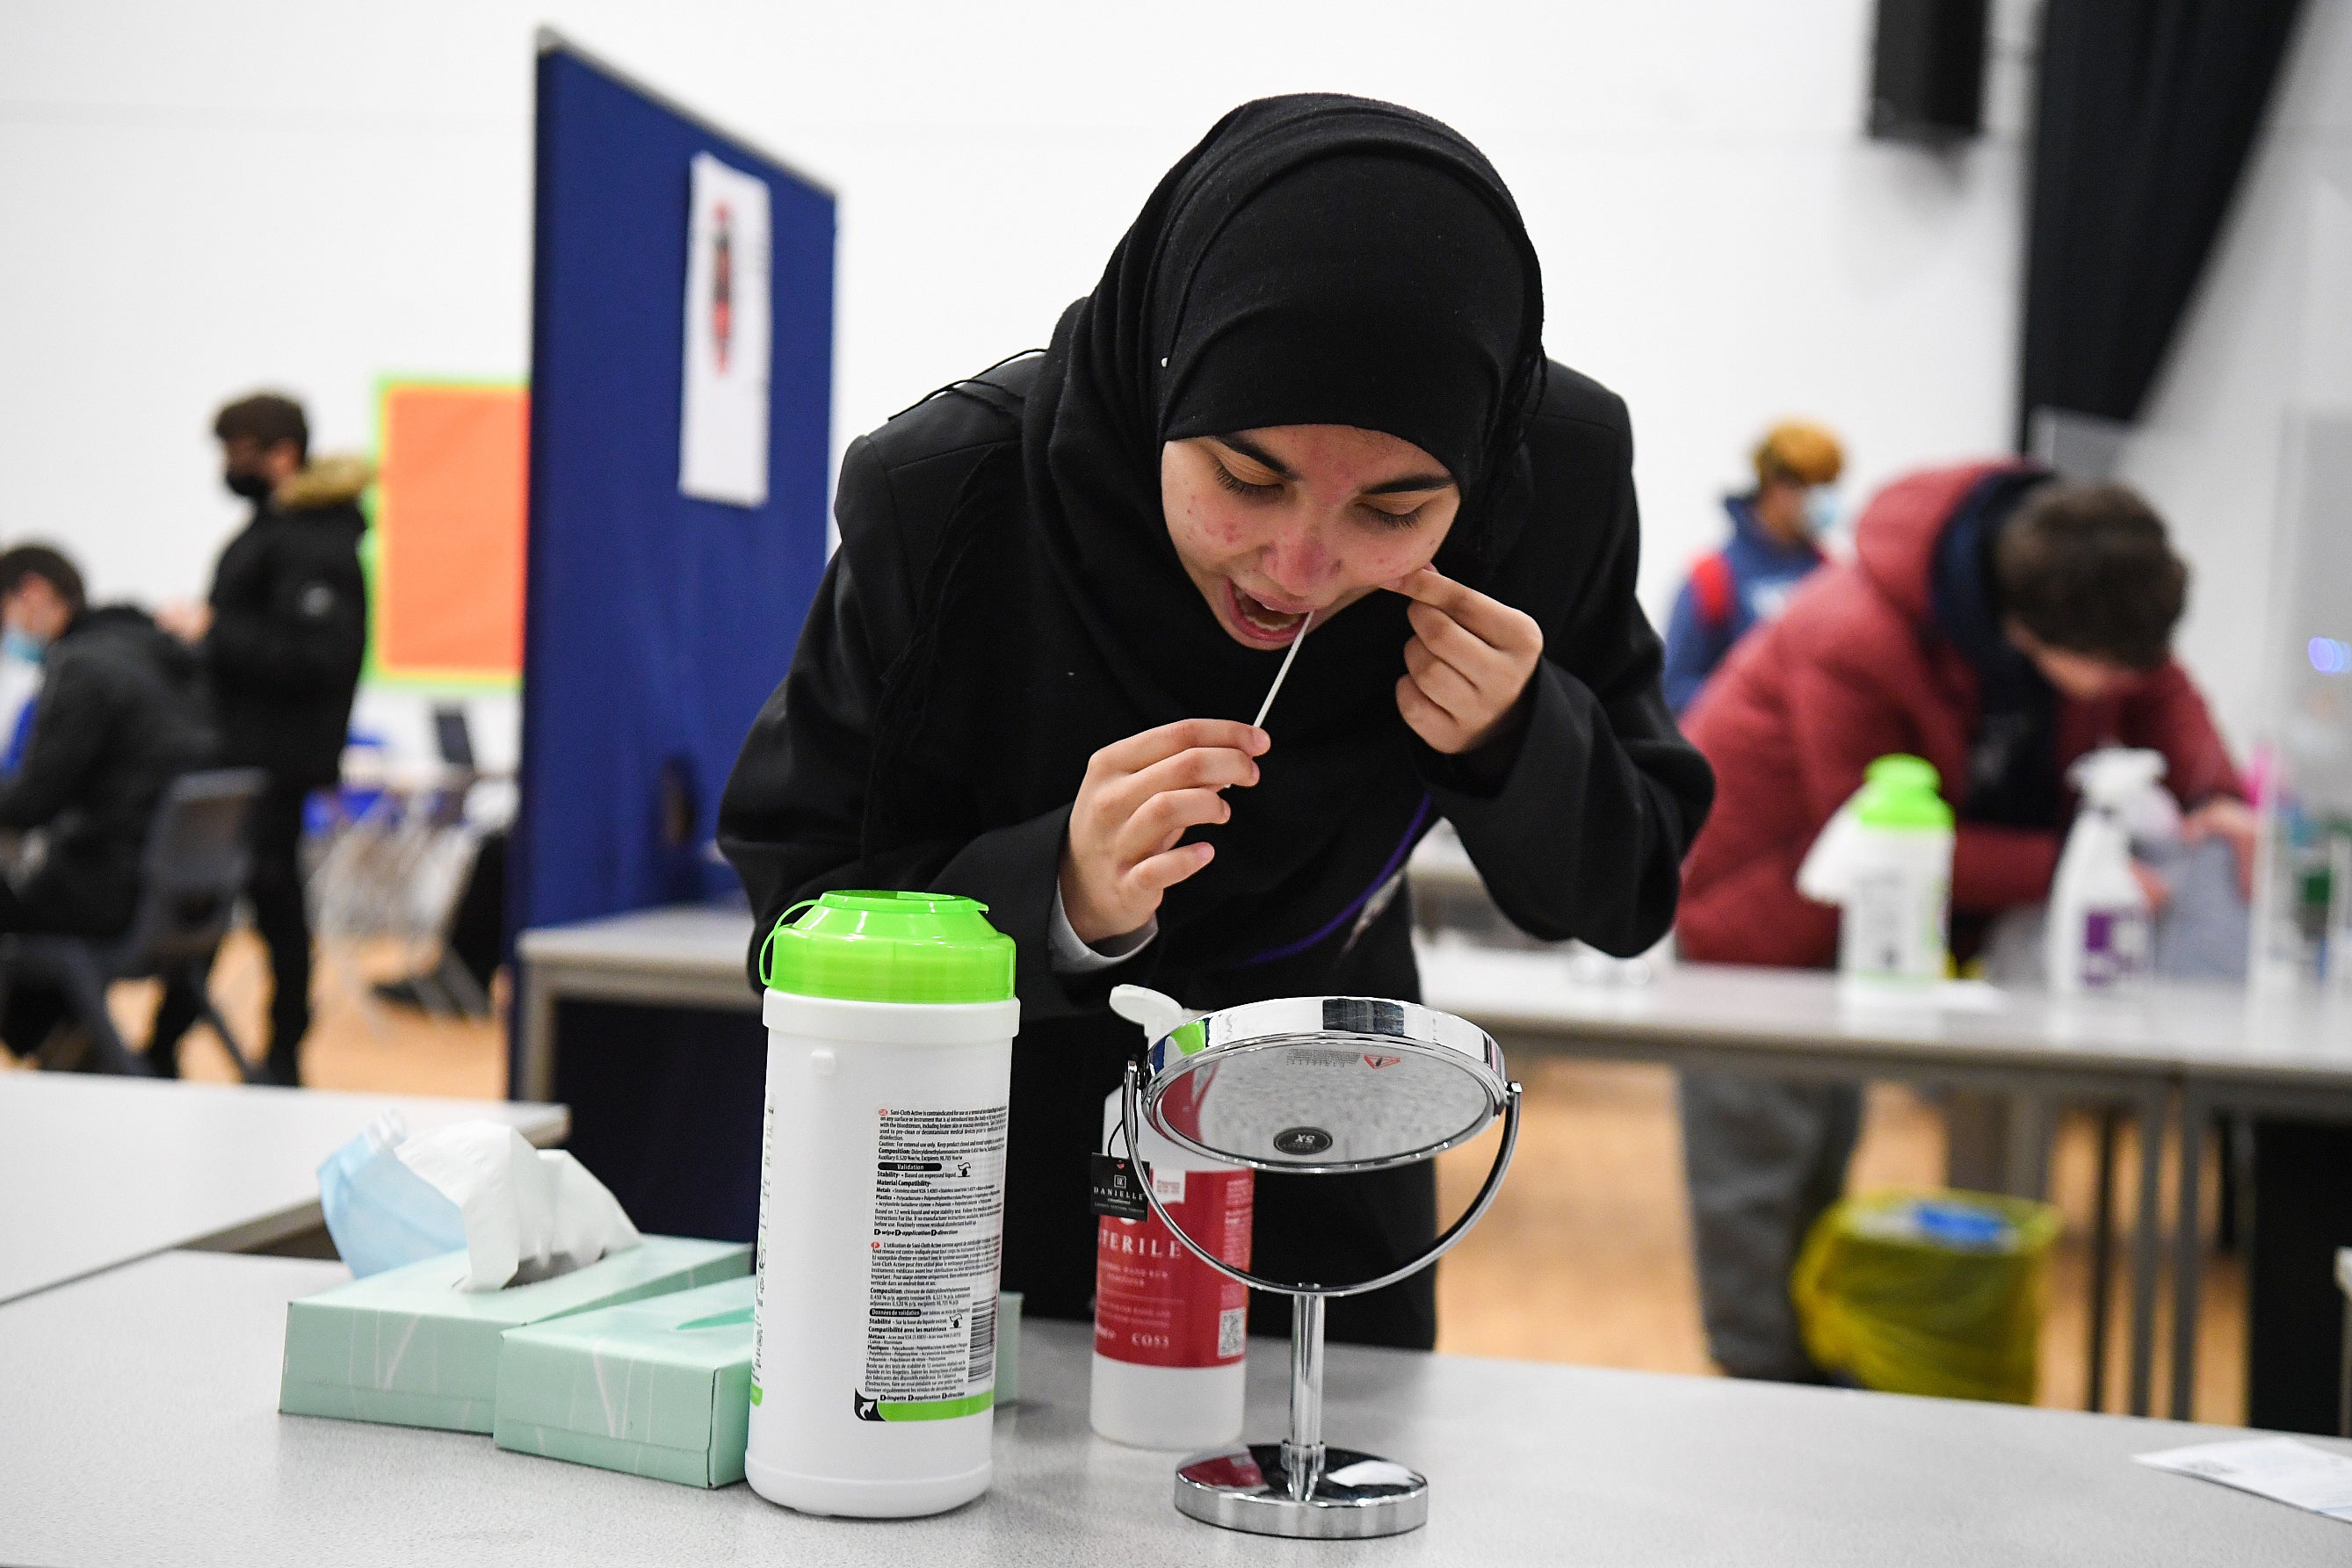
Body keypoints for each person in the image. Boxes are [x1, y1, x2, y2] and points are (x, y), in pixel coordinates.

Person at [719, 95, 1714, 1349]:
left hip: (1326, 1154)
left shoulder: (1545, 486)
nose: (1299, 567)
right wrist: (1060, 897)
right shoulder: (954, 498)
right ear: (1162, 388)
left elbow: (1628, 893)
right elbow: (797, 920)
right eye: (1247, 480)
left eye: (1395, 511)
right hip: (969, 1181)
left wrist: (1519, 737)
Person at [1672, 464, 2248, 1382]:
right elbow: (1868, 832)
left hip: (1864, 932)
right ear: (2023, 628)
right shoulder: (1852, 634)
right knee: (1757, 1186)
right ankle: (1761, 1400)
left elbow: (2156, 686)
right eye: (2098, 669)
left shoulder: (2066, 585)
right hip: (1760, 924)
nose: (2113, 687)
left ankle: (1808, 1395)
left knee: (1821, 1171)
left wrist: (2215, 792)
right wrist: (2071, 865)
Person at [152, 394, 371, 1085]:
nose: (228, 466)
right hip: (246, 755)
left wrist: (212, 632)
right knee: (233, 902)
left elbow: (316, 656)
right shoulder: (278, 531)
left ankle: (273, 1052)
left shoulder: (315, 544)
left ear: (281, 453)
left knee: (259, 903)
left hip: (273, 760)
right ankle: (174, 1043)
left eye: (239, 451)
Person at [0, 546, 215, 1051]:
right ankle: (63, 1043)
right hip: (180, 900)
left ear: (33, 594)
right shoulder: (158, 655)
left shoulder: (86, 666)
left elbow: (32, 802)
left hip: (110, 896)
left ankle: (50, 1039)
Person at [1660, 421, 1843, 715]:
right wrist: (1757, 704)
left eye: (1830, 487)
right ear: (1777, 485)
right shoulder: (1713, 577)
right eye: (1814, 486)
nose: (1825, 501)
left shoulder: (1831, 575)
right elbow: (1675, 688)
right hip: (1735, 751)